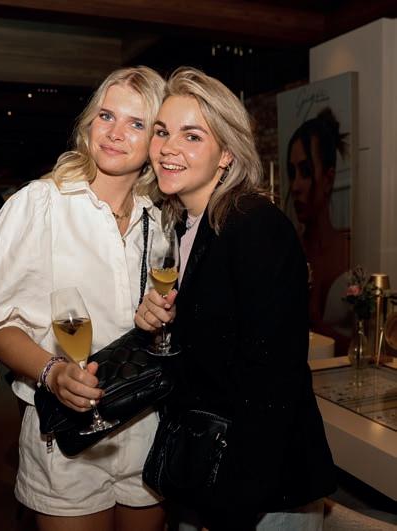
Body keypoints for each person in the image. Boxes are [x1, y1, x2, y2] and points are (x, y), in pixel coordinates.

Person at [0, 66, 168, 531]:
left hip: (146, 423)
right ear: (89, 123)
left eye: (136, 123)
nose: (114, 132)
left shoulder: (161, 222)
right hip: (68, 441)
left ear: (156, 140)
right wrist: (52, 372)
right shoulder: (39, 205)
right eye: (106, 115)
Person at [136, 67, 336, 530]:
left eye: (192, 136)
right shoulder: (183, 225)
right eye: (162, 132)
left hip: (260, 491)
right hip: (210, 473)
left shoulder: (255, 225)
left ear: (226, 153)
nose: (168, 148)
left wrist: (231, 508)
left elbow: (273, 383)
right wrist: (156, 324)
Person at [286, 108, 351, 354]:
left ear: (328, 178)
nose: (295, 186)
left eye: (305, 171)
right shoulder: (290, 251)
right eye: (292, 173)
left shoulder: (350, 248)